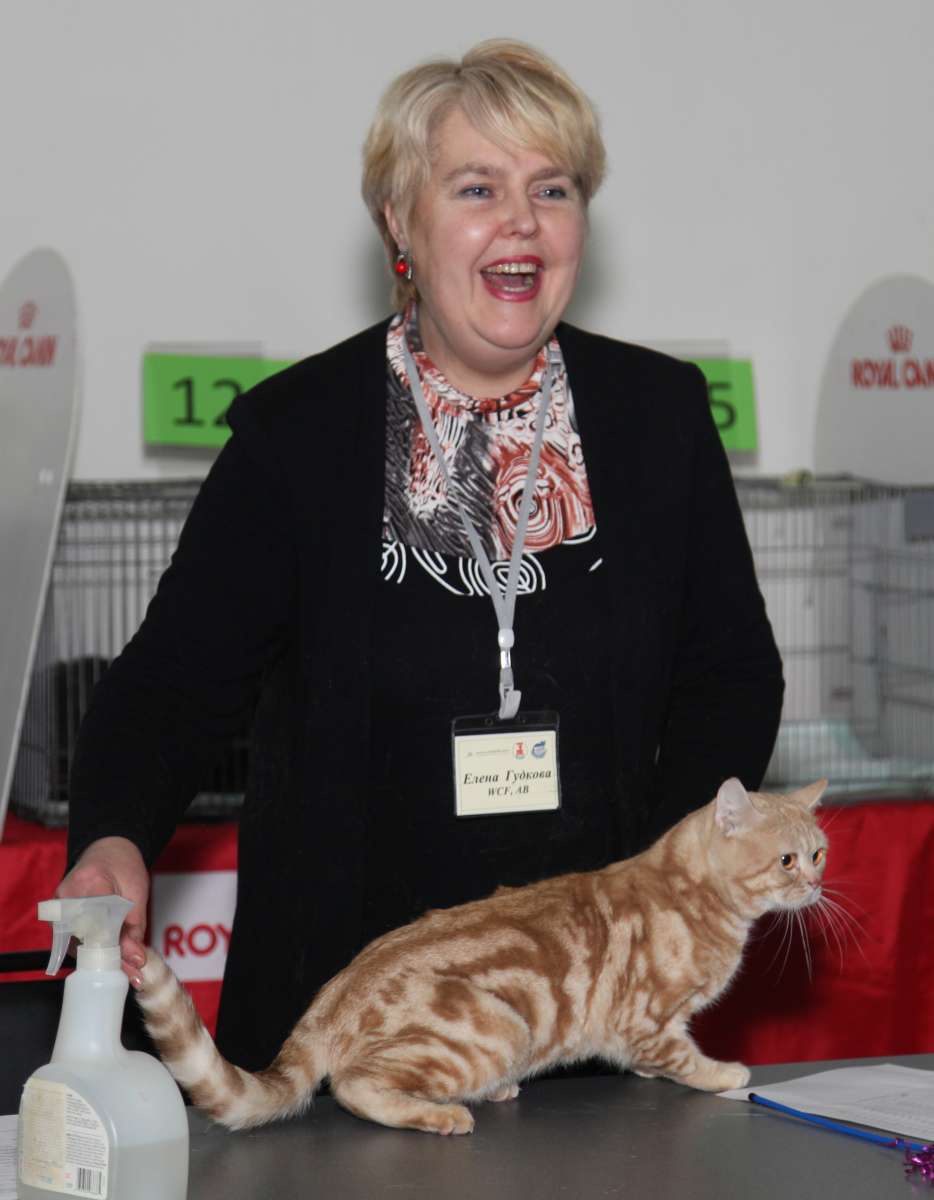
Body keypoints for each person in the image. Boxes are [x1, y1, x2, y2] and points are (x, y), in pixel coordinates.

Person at [59, 39, 783, 1072]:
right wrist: (113, 838)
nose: (522, 221)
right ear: (399, 220)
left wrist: (658, 891)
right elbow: (173, 685)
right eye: (477, 188)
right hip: (347, 1028)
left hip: (588, 1017)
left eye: (552, 189)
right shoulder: (296, 436)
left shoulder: (659, 417)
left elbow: (731, 675)